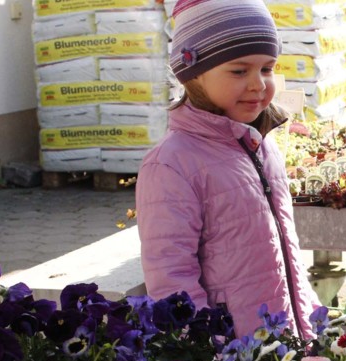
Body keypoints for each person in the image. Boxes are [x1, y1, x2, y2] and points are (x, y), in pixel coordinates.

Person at [136, 0, 321, 340]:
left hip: (286, 340)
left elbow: (284, 251)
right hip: (233, 359)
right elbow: (170, 278)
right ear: (192, 73)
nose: (258, 84)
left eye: (267, 69)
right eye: (239, 71)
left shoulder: (261, 144)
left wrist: (308, 317)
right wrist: (212, 350)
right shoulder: (171, 163)